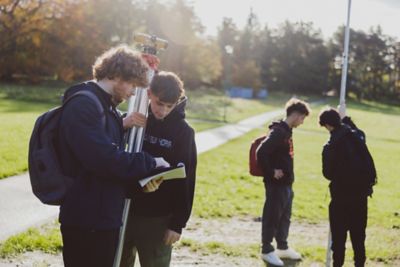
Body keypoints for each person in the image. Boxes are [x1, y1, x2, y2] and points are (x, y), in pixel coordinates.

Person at [57, 45, 170, 267]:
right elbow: (104, 160)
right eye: (132, 86)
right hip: (85, 219)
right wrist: (151, 162)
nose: (132, 94)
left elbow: (108, 169)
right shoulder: (83, 104)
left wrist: (139, 184)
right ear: (117, 76)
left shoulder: (106, 107)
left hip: (103, 217)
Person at [120, 71, 197, 267]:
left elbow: (186, 180)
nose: (162, 111)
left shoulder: (184, 132)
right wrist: (123, 125)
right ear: (149, 94)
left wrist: (177, 224)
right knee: (119, 261)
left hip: (158, 218)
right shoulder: (136, 118)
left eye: (169, 106)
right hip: (124, 208)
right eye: (159, 103)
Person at [319, 108, 376, 267]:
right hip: (360, 197)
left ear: (328, 125)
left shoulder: (330, 146)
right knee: (359, 238)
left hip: (340, 197)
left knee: (338, 239)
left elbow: (327, 174)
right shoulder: (358, 137)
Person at [256, 98, 310, 266]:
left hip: (286, 184)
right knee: (272, 216)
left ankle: (282, 246)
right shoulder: (278, 132)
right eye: (302, 118)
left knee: (284, 217)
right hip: (276, 185)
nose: (302, 122)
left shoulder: (286, 131)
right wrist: (272, 171)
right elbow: (261, 151)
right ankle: (266, 250)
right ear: (295, 115)